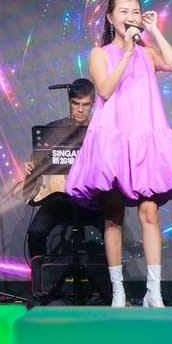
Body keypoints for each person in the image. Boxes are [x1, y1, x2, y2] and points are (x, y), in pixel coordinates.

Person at [64, 0, 172, 307]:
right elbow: (105, 90)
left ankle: (153, 292)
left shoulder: (147, 54)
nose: (131, 17)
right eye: (123, 11)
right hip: (114, 141)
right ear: (110, 17)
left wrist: (155, 31)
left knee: (150, 211)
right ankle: (118, 292)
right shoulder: (100, 53)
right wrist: (126, 53)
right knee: (113, 215)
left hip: (145, 138)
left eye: (135, 11)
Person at [22, 79, 102, 299]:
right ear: (69, 102)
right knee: (36, 233)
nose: (80, 109)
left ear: (93, 103)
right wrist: (31, 166)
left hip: (90, 199)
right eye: (76, 104)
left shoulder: (100, 131)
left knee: (113, 228)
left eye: (85, 105)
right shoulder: (53, 130)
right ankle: (43, 287)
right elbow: (37, 161)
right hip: (58, 200)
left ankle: (107, 286)